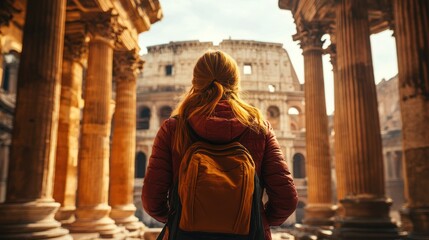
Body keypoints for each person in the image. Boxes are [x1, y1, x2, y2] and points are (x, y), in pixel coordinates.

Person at [142, 50, 298, 240]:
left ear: (195, 82)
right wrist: (257, 220)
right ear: (235, 82)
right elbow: (287, 200)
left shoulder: (173, 128)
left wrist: (181, 218)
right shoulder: (259, 128)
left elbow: (151, 201)